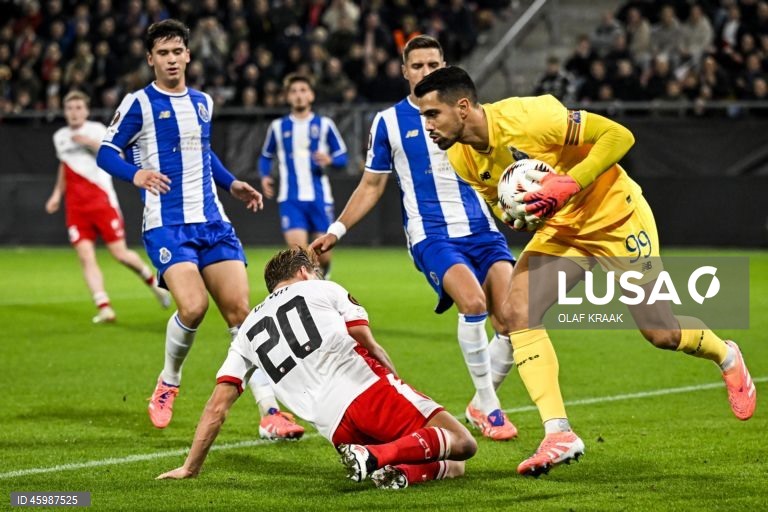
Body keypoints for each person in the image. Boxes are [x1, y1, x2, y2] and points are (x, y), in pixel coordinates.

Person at [414, 66, 757, 476]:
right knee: (517, 311)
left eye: (432, 114)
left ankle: (726, 354)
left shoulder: (530, 117)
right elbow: (503, 202)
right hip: (564, 229)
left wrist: (570, 182)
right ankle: (558, 432)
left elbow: (619, 136)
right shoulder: (461, 157)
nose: (427, 124)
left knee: (661, 333)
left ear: (463, 107)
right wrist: (517, 213)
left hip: (616, 218)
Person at [95, 19, 304, 440]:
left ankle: (270, 414)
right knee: (192, 308)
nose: (171, 60)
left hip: (213, 222)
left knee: (242, 316)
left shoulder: (203, 102)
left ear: (188, 55)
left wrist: (232, 184)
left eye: (178, 52)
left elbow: (204, 152)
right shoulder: (139, 103)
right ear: (150, 59)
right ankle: (169, 380)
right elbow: (105, 152)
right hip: (167, 224)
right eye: (163, 53)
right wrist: (136, 175)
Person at [310, 36, 518, 441]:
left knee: (513, 320)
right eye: (418, 66)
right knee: (473, 302)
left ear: (444, 66)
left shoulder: (467, 112)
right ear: (404, 71)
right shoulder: (389, 122)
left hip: (482, 228)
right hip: (431, 233)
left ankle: (478, 404)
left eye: (433, 65)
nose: (426, 72)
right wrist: (337, 229)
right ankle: (489, 406)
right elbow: (371, 185)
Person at [156, 247, 477, 489]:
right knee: (461, 441)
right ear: (303, 272)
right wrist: (396, 387)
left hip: (335, 429)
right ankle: (377, 457)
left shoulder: (248, 329)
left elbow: (217, 407)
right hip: (368, 392)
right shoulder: (323, 289)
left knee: (451, 463)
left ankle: (394, 469)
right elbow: (370, 345)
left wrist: (190, 467)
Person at [46, 90, 171, 324]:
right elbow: (65, 166)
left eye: (78, 108)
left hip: (101, 202)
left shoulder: (97, 130)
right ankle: (104, 307)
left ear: (86, 110)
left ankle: (155, 285)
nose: (74, 113)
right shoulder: (60, 136)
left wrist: (91, 143)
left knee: (120, 254)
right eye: (70, 108)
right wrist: (56, 195)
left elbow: (117, 155)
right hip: (76, 207)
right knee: (85, 256)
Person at [258, 73, 348, 277]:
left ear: (311, 96)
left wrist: (330, 160)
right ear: (287, 97)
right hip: (290, 198)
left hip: (319, 197)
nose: (299, 95)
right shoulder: (278, 127)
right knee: (298, 254)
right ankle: (311, 292)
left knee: (322, 257)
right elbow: (265, 156)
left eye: (303, 90)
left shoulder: (325, 125)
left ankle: (324, 272)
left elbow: (343, 157)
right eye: (294, 91)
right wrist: (265, 176)